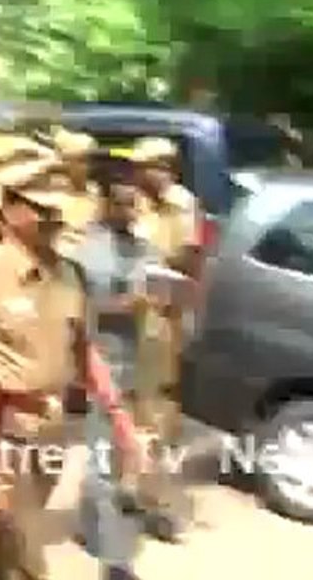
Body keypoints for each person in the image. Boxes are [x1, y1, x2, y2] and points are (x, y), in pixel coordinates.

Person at [0, 166, 141, 580]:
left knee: (2, 542)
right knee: (26, 550)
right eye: (42, 210)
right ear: (10, 210)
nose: (53, 220)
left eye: (57, 211)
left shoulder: (70, 275)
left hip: (51, 429)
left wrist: (119, 417)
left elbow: (83, 349)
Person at [75, 158, 155, 580]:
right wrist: (120, 305)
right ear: (104, 203)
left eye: (133, 203)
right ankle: (114, 558)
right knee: (102, 455)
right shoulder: (85, 250)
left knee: (122, 453)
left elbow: (154, 289)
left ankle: (89, 526)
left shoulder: (142, 248)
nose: (128, 211)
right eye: (121, 203)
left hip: (134, 360)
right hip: (97, 362)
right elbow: (76, 309)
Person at [128, 137, 200, 542]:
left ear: (165, 168)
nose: (141, 174)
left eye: (147, 167)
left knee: (158, 415)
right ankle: (131, 492)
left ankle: (158, 504)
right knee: (130, 410)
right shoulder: (136, 202)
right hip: (130, 319)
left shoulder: (181, 205)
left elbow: (185, 261)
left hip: (162, 320)